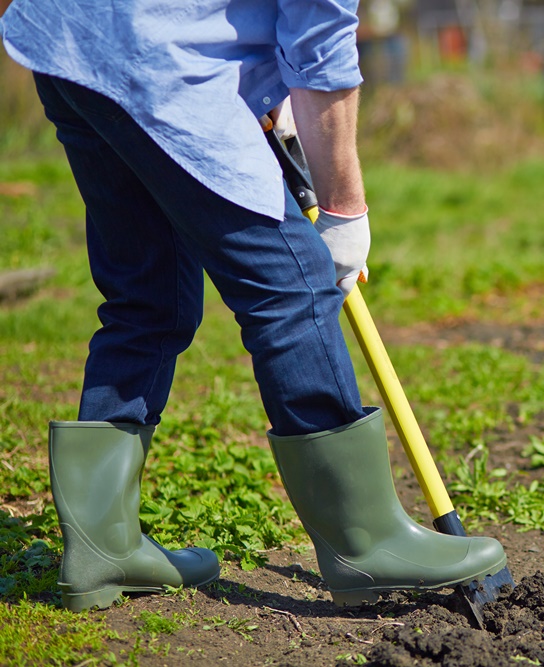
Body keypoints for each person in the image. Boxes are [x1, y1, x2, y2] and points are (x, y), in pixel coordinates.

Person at [0, 0, 507, 612]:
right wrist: (345, 209)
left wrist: (263, 85)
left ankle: (102, 547)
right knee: (292, 287)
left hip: (68, 38)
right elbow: (320, 41)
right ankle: (364, 541)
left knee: (146, 298)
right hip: (157, 57)